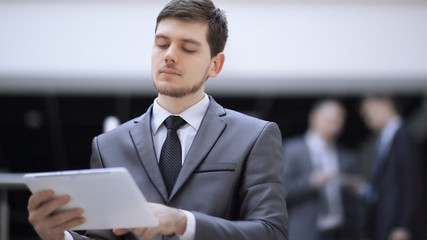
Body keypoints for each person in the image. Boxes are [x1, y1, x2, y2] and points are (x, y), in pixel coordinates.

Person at [26, 1, 288, 240]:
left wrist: (184, 222)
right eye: (162, 44)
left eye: (187, 48)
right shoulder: (108, 145)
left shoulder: (254, 136)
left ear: (215, 65)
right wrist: (61, 237)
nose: (169, 55)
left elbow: (271, 232)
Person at [283, 100, 360, 240]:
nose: (335, 126)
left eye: (339, 121)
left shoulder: (345, 155)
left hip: (339, 230)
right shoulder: (293, 150)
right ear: (314, 119)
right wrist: (311, 181)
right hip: (305, 230)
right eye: (330, 120)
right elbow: (282, 190)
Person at [357, 96, 420, 240]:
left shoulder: (404, 136)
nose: (367, 118)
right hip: (385, 221)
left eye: (369, 111)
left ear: (386, 104)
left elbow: (411, 184)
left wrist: (403, 225)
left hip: (396, 225)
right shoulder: (386, 137)